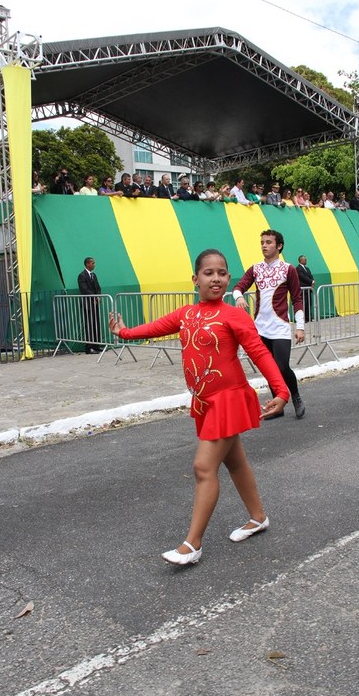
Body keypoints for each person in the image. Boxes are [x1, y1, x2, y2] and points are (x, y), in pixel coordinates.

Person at [109, 249, 289, 565]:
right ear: (196, 279)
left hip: (229, 399)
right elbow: (152, 328)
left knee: (203, 467)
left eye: (222, 272)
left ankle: (192, 545)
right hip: (205, 401)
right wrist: (123, 332)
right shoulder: (186, 314)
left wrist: (281, 390)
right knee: (234, 462)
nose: (216, 278)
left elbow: (259, 352)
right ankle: (258, 517)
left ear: (228, 278)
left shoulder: (234, 314)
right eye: (208, 273)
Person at [233, 230, 306, 420]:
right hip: (260, 328)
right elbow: (238, 287)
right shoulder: (255, 268)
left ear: (279, 246)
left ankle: (296, 396)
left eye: (268, 242)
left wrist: (300, 326)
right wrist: (239, 297)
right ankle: (277, 406)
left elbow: (297, 298)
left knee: (282, 367)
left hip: (280, 327)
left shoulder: (288, 269)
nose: (264, 246)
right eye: (262, 243)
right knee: (269, 368)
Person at [77, 257, 102, 354]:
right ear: (87, 264)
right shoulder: (81, 276)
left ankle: (96, 345)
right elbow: (84, 289)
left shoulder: (94, 275)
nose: (94, 264)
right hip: (88, 304)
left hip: (94, 303)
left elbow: (98, 287)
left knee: (96, 324)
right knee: (90, 325)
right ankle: (89, 347)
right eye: (92, 263)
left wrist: (98, 296)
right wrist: (93, 297)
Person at [296, 254, 315, 322]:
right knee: (303, 304)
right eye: (305, 259)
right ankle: (303, 318)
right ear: (301, 260)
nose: (306, 261)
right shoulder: (298, 268)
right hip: (303, 289)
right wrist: (310, 282)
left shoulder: (307, 268)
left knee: (308, 304)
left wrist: (312, 281)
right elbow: (302, 277)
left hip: (308, 289)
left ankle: (308, 318)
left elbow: (310, 275)